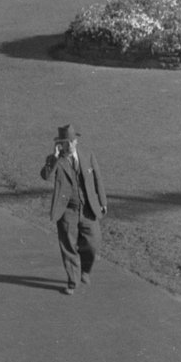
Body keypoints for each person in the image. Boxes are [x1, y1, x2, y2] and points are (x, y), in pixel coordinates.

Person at [39, 124, 107, 293]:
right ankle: (73, 280)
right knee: (68, 245)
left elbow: (98, 179)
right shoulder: (56, 160)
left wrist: (103, 202)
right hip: (66, 210)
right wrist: (54, 158)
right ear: (59, 144)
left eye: (71, 141)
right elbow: (46, 176)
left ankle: (85, 270)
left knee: (94, 243)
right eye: (65, 142)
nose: (69, 145)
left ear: (76, 141)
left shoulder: (88, 156)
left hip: (88, 208)